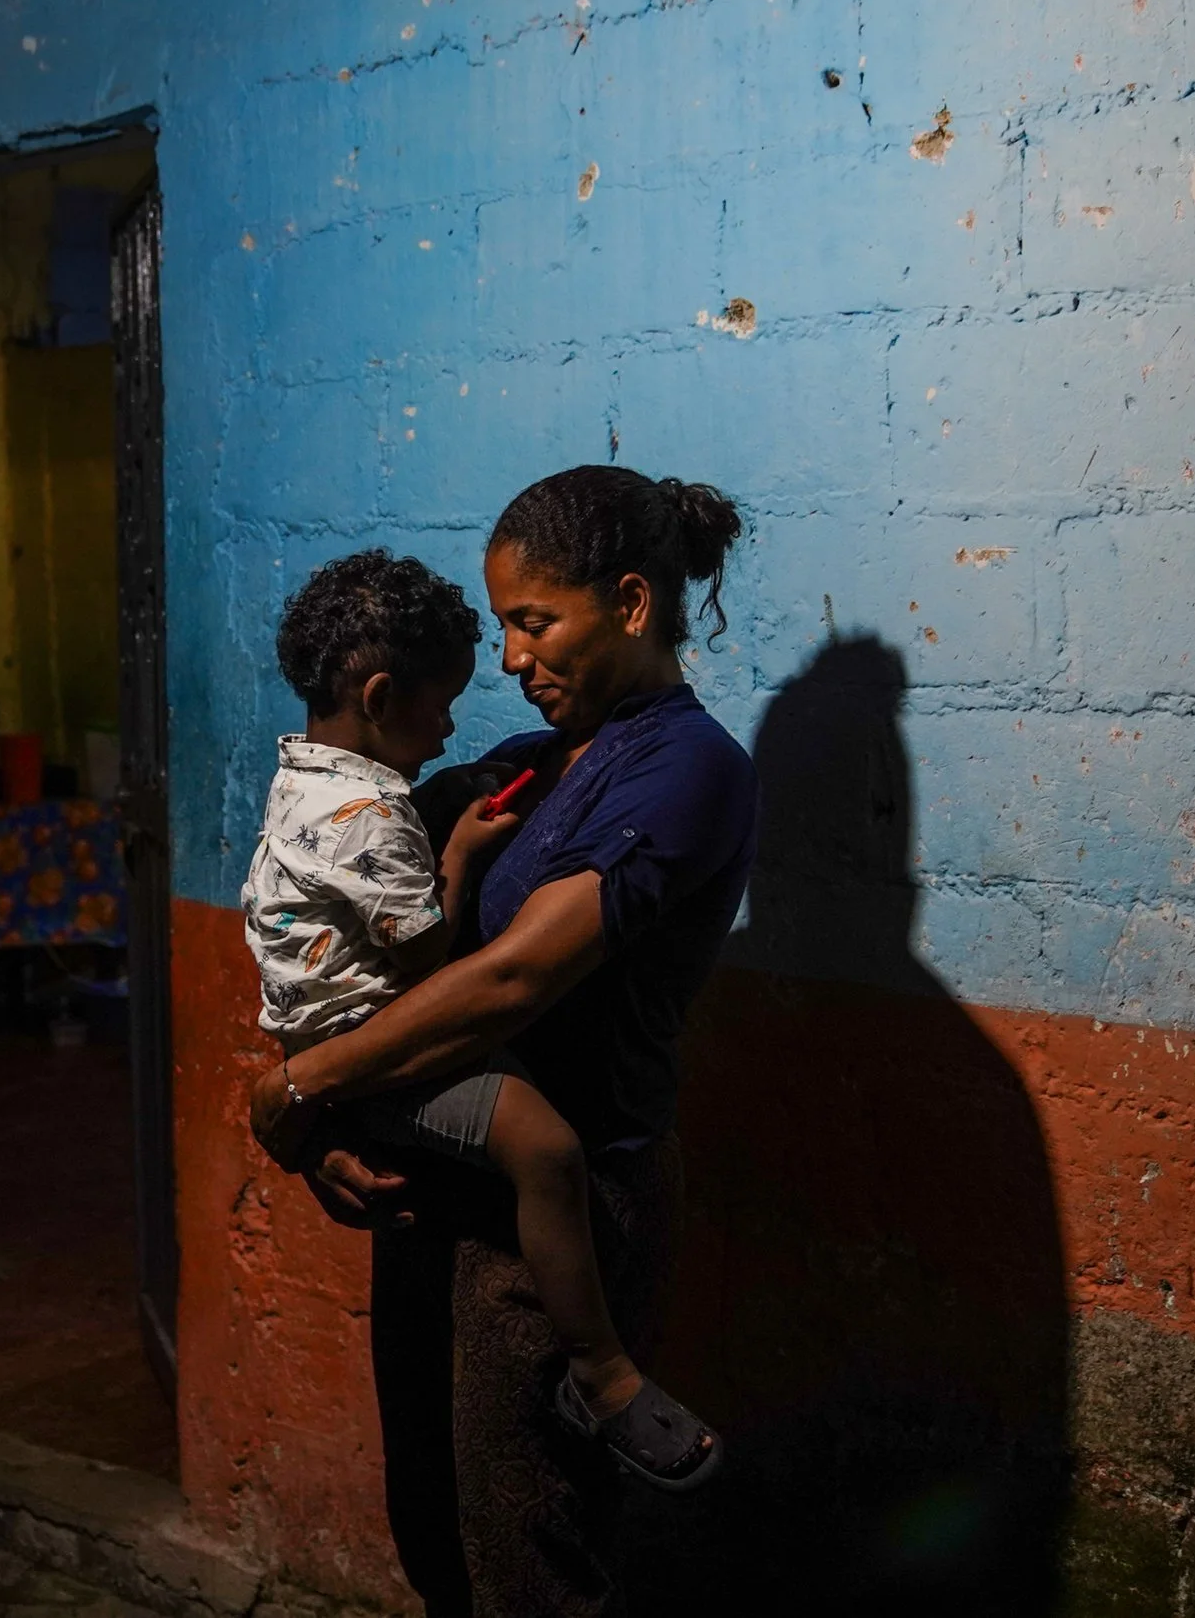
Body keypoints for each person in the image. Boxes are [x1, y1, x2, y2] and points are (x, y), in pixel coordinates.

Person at [248, 466, 757, 1615]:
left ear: (630, 602)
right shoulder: (521, 765)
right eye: (505, 628)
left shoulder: (685, 769)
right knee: (434, 1525)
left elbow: (513, 976)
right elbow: (339, 943)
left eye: (535, 622)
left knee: (528, 1556)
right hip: (437, 1179)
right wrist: (328, 1120)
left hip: (561, 1213)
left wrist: (303, 1084)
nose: (513, 657)